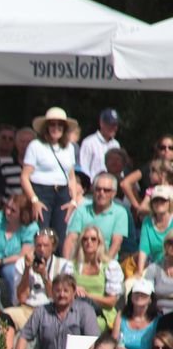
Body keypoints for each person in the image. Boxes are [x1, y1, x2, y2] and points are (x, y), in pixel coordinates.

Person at [13, 273, 100, 349]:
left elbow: (93, 341)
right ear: (52, 292)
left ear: (73, 292)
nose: (61, 294)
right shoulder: (41, 311)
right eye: (57, 291)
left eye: (65, 291)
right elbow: (24, 336)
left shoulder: (85, 310)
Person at [21, 107, 80, 243]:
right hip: (41, 192)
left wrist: (74, 200)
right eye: (52, 124)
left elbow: (71, 176)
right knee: (42, 235)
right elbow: (25, 176)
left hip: (62, 193)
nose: (56, 128)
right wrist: (34, 200)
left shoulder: (69, 147)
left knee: (60, 236)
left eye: (60, 125)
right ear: (46, 127)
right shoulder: (35, 145)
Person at [59, 225, 123, 332]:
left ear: (99, 242)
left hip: (101, 314)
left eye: (93, 239)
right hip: (74, 311)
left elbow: (111, 302)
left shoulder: (110, 266)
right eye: (85, 239)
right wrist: (73, 290)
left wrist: (88, 296)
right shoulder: (71, 266)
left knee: (89, 325)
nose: (89, 242)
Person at [63, 173, 128, 263]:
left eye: (106, 190)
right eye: (98, 189)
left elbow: (116, 243)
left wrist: (105, 265)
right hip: (81, 261)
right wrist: (67, 265)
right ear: (93, 190)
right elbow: (71, 239)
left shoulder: (120, 213)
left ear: (114, 193)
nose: (101, 193)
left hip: (106, 261)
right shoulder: (82, 210)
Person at [113, 278, 157, 349]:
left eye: (144, 294)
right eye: (136, 293)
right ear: (131, 296)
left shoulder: (157, 321)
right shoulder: (120, 316)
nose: (139, 296)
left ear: (150, 299)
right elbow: (112, 344)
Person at [79, 108, 121, 183]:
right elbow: (84, 169)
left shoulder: (116, 144)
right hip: (94, 189)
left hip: (112, 188)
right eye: (110, 124)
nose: (114, 128)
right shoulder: (89, 142)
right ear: (101, 123)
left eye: (115, 125)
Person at [138, 184, 173, 271]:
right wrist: (140, 271)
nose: (159, 203)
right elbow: (143, 249)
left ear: (170, 202)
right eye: (155, 200)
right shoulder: (147, 221)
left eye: (163, 200)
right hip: (156, 266)